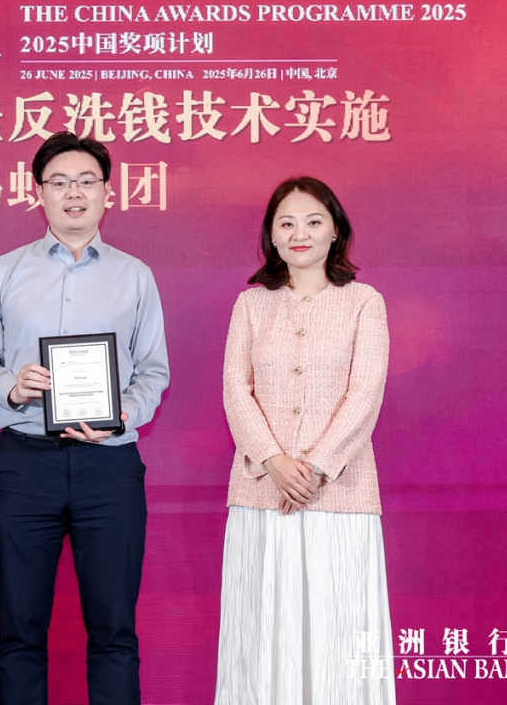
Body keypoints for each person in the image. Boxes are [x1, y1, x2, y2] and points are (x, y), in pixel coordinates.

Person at [0, 132, 169, 704]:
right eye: (59, 182)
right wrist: (12, 386)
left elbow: (153, 371)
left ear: (107, 192)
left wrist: (123, 412)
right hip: (25, 465)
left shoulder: (135, 275)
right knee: (19, 632)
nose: (73, 193)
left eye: (85, 181)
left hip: (110, 468)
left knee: (114, 632)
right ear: (39, 192)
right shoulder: (3, 271)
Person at [215, 177, 395, 704]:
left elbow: (365, 393)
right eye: (287, 223)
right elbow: (235, 389)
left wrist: (315, 467)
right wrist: (272, 460)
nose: (300, 233)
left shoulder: (364, 302)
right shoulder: (251, 305)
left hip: (340, 494)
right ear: (271, 236)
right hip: (261, 492)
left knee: (338, 626)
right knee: (262, 630)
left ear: (335, 231)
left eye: (314, 221)